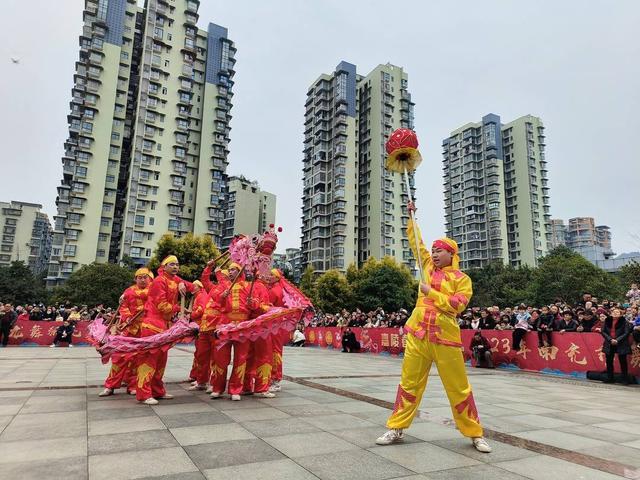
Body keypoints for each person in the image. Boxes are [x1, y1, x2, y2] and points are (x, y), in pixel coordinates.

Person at [376, 201, 491, 453]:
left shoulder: (463, 280)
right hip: (418, 334)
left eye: (440, 251)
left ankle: (475, 433)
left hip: (446, 338)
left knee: (458, 386)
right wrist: (411, 216)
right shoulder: (426, 266)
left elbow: (457, 306)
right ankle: (396, 427)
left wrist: (432, 293)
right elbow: (416, 242)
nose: (435, 254)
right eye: (433, 250)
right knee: (408, 383)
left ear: (452, 254)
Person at [136, 255, 194, 405]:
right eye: (172, 264)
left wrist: (184, 285)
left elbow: (194, 287)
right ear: (164, 267)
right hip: (152, 324)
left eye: (177, 264)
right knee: (149, 360)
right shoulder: (158, 281)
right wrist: (179, 308)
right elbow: (162, 305)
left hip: (164, 326)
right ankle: (143, 393)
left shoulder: (175, 280)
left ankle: (157, 391)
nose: (175, 267)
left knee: (161, 361)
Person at [210, 263, 270, 401]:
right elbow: (215, 297)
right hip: (225, 325)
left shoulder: (248, 286)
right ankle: (217, 388)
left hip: (243, 326)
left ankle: (235, 389)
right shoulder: (225, 285)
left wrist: (252, 303)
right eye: (229, 270)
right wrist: (222, 296)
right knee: (221, 358)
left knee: (241, 358)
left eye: (233, 269)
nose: (230, 272)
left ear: (239, 271)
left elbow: (256, 305)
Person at [100, 268, 153, 397]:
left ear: (150, 278)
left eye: (145, 277)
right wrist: (128, 317)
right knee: (120, 357)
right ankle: (110, 386)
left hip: (146, 329)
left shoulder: (153, 291)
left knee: (137, 359)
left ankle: (133, 386)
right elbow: (123, 307)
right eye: (139, 277)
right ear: (135, 279)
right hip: (129, 328)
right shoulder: (129, 291)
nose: (142, 279)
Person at [601, 307, 631, 384]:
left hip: (621, 343)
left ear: (621, 314)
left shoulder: (624, 322)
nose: (615, 313)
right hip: (609, 342)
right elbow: (603, 331)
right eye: (614, 312)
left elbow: (626, 332)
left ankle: (624, 379)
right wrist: (610, 339)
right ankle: (610, 378)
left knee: (623, 361)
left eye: (617, 312)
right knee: (609, 361)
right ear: (611, 313)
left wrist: (617, 340)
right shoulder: (607, 320)